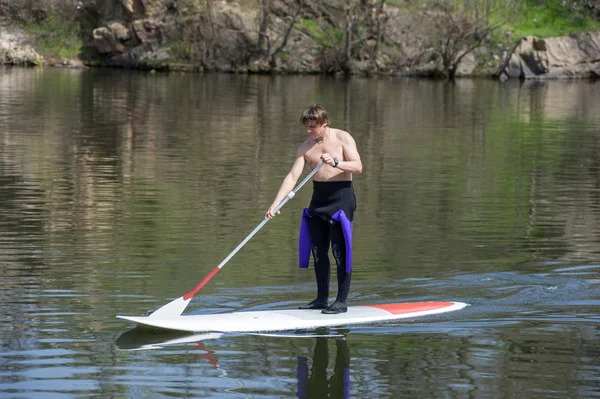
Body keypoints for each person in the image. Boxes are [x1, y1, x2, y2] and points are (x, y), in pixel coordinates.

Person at [266, 104, 362, 314]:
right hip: (319, 198)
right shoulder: (305, 148)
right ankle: (321, 299)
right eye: (307, 127)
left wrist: (337, 162)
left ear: (325, 123)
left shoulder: (343, 138)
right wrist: (276, 203)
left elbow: (358, 166)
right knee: (318, 251)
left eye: (313, 127)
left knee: (340, 251)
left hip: (342, 196)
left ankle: (341, 302)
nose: (309, 131)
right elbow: (292, 177)